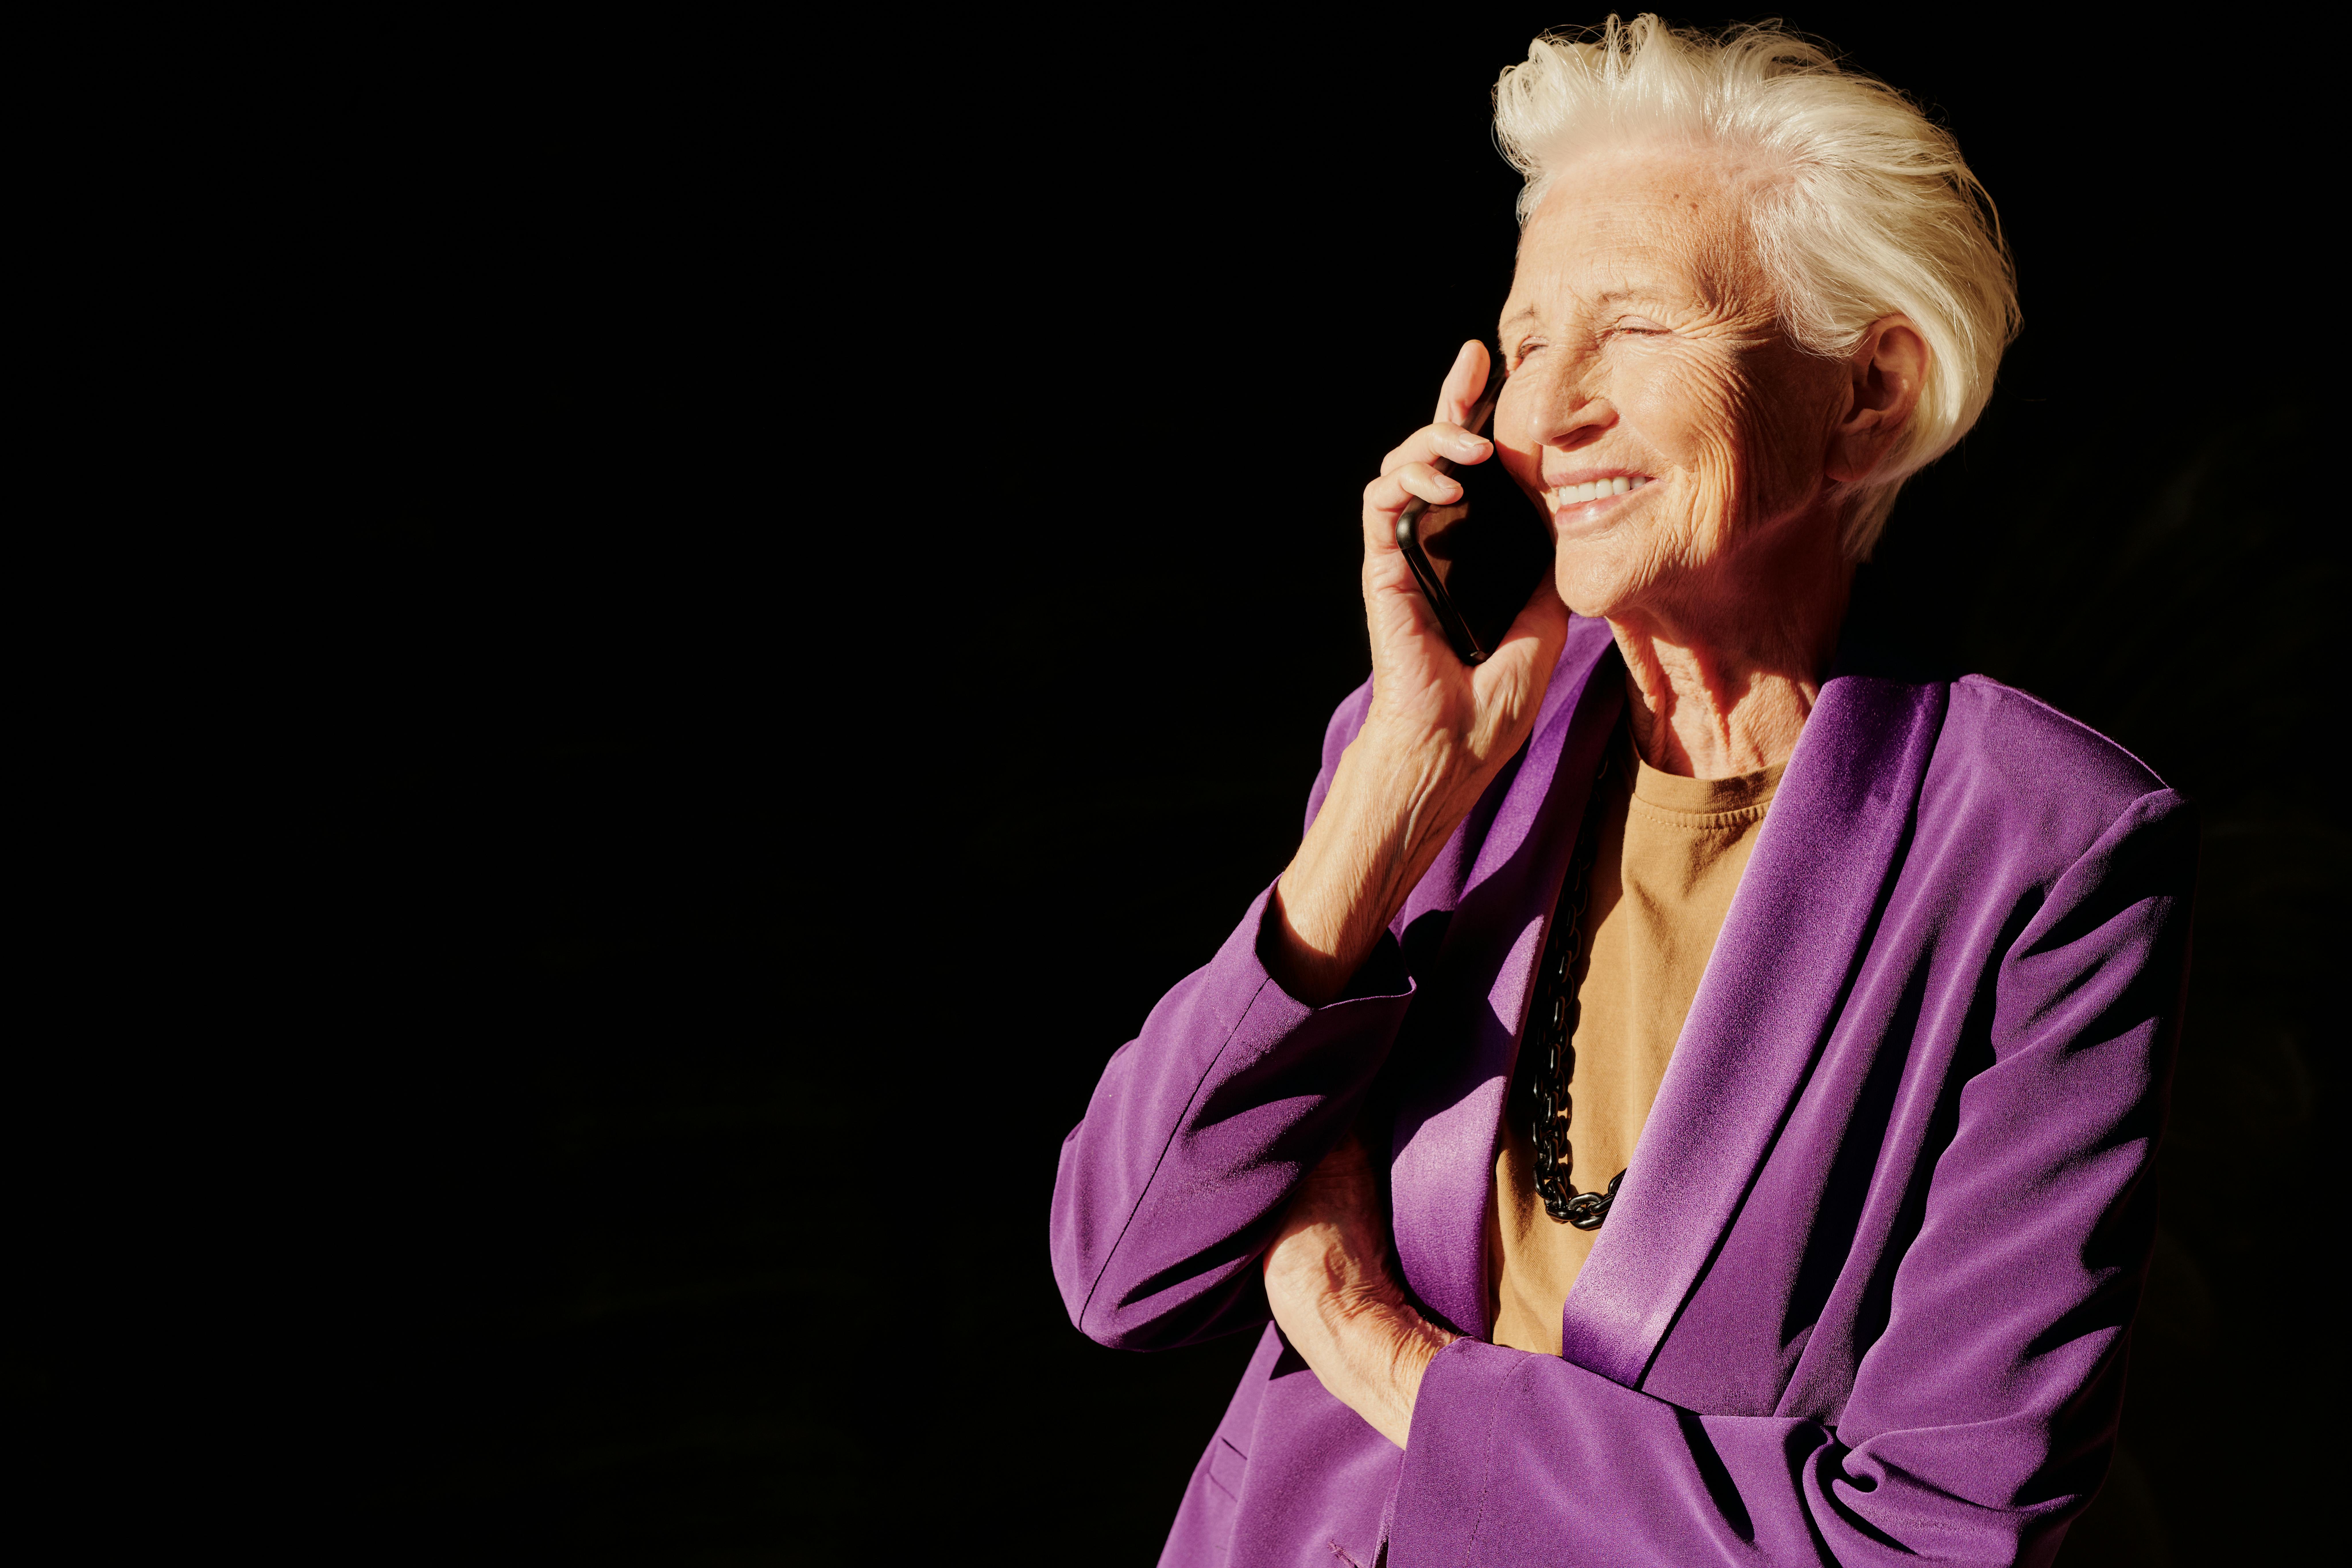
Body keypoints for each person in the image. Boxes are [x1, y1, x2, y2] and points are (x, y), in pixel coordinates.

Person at [1049, 17, 2194, 1566]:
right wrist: (1397, 783)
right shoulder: (1434, 759)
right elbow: (1121, 1267)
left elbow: (1933, 1537)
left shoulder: (2045, 850)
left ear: (1865, 394)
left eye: (1637, 329)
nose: (1548, 411)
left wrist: (1373, 1342)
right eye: (1524, 343)